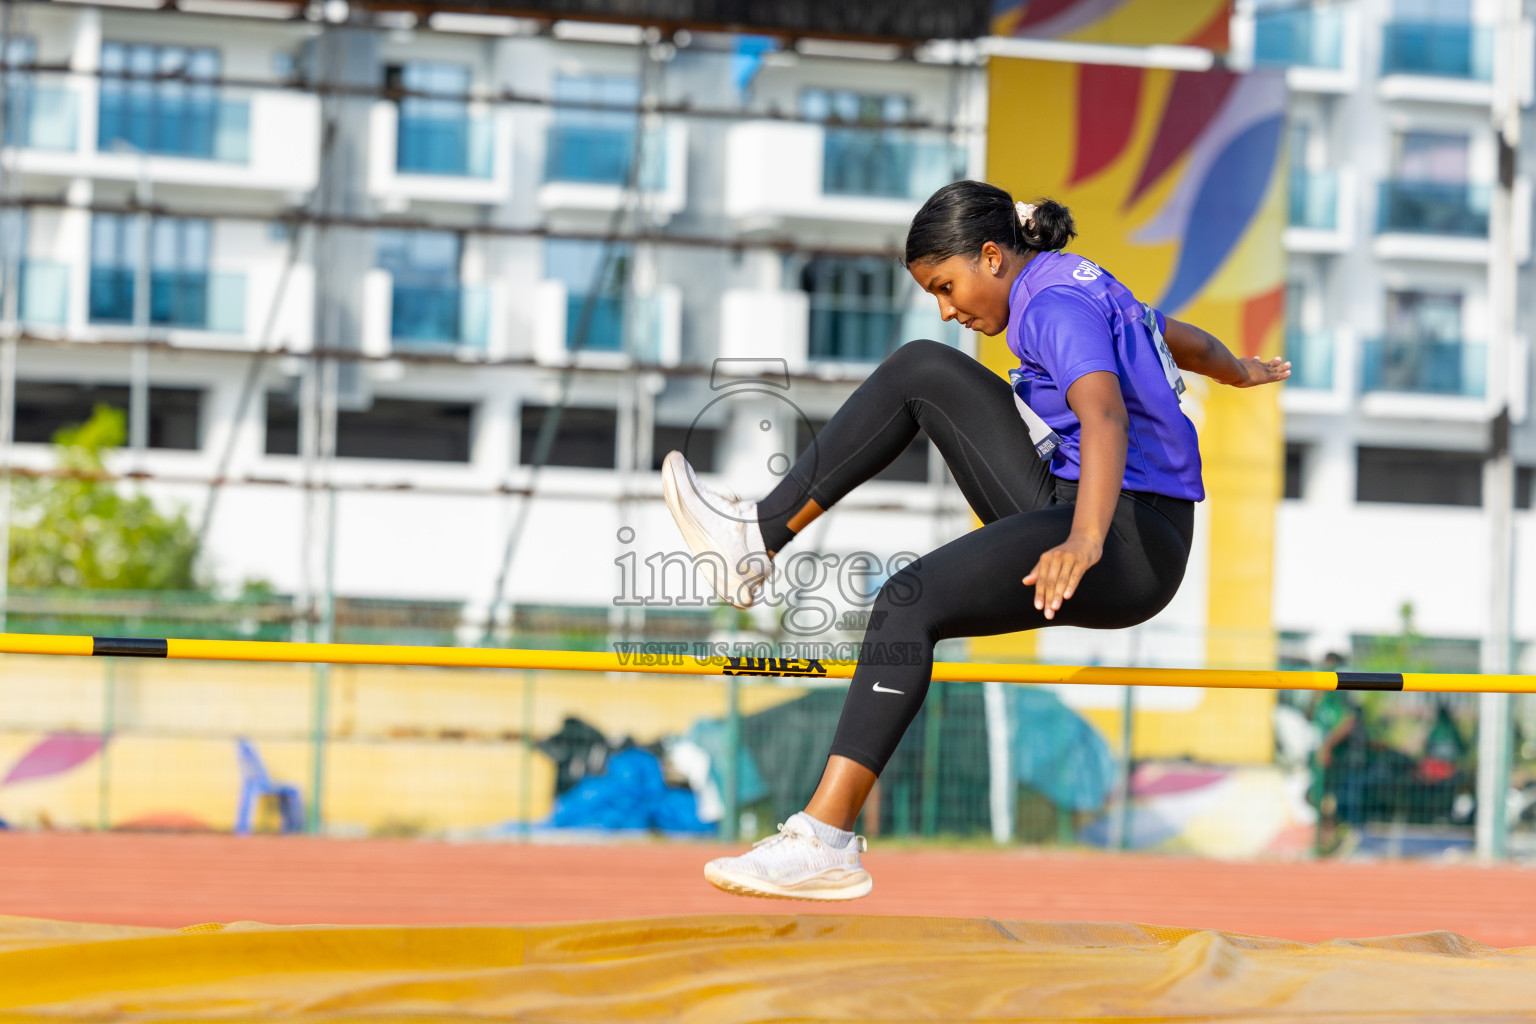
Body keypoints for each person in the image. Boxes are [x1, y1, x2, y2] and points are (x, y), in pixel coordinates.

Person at [660, 179, 1290, 900]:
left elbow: (1107, 416)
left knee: (907, 601)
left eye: (948, 286)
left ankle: (824, 839)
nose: (949, 309)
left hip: (1129, 537)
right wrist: (1237, 369)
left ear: (993, 255)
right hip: (1077, 500)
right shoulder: (1071, 283)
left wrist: (1085, 541)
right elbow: (1172, 335)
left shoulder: (1051, 304)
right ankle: (756, 540)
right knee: (920, 368)